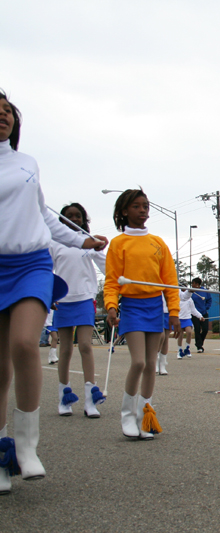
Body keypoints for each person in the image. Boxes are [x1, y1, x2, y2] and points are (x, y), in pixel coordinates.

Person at [0, 89, 107, 494]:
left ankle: (27, 446)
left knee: (25, 344)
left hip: (30, 263)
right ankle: (0, 452)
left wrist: (82, 241)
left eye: (7, 111)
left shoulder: (27, 163)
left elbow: (43, 214)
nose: (3, 116)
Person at [104, 189, 180, 440]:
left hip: (154, 306)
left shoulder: (158, 242)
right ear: (124, 211)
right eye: (136, 206)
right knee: (138, 362)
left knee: (151, 365)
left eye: (146, 206)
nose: (143, 210)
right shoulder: (118, 243)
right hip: (133, 306)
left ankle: (144, 415)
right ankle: (126, 415)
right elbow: (112, 281)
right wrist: (111, 306)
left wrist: (174, 311)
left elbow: (170, 281)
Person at [50, 202, 107, 417]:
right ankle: (64, 397)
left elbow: (108, 267)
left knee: (85, 345)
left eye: (78, 216)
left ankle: (90, 399)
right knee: (65, 349)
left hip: (85, 299)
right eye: (69, 216)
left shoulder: (89, 243)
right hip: (62, 300)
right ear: (62, 220)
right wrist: (48, 295)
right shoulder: (54, 243)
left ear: (84, 220)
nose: (74, 219)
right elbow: (47, 269)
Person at [176, 289, 203, 358]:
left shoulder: (190, 300)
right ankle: (179, 351)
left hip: (187, 318)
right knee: (180, 335)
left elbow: (193, 310)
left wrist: (200, 316)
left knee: (189, 332)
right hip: (179, 318)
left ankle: (187, 348)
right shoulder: (177, 298)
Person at [190, 278, 211, 353]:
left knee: (205, 329)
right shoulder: (191, 292)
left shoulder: (204, 291)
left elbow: (209, 300)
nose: (192, 285)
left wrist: (206, 308)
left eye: (193, 283)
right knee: (197, 329)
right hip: (195, 314)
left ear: (197, 284)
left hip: (204, 313)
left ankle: (200, 342)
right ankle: (199, 346)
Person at [156, 295, 170, 375]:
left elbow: (182, 297)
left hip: (168, 312)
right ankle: (155, 361)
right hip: (157, 311)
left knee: (166, 338)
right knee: (161, 336)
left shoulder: (170, 284)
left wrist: (189, 292)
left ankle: (162, 365)